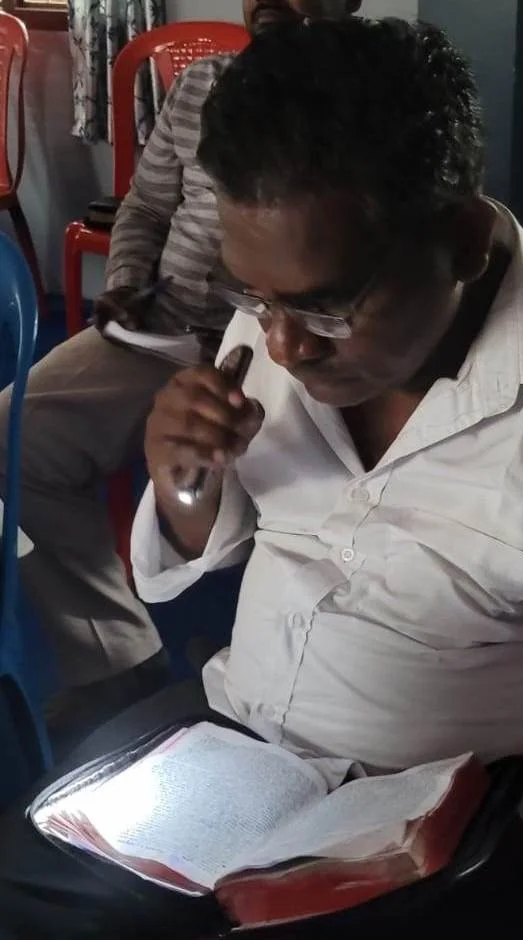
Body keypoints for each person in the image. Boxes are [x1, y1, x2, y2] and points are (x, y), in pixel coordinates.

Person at [2, 16, 523, 940]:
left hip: (461, 824)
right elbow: (191, 561)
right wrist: (183, 483)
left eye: (330, 306)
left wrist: (478, 837)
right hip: (239, 757)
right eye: (255, 296)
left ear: (461, 241)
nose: (284, 344)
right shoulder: (270, 336)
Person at [0, 0, 361, 748]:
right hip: (158, 333)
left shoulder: (367, 98)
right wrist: (129, 283)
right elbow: (146, 203)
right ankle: (117, 664)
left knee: (319, 494)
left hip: (287, 343)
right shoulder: (202, 87)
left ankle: (281, 683)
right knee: (13, 438)